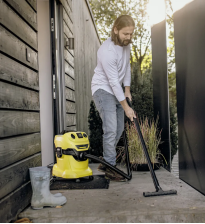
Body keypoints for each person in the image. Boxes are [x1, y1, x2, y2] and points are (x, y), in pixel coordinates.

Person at [91, 15, 136, 181]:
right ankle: (110, 168)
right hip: (103, 89)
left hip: (116, 90)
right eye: (125, 34)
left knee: (119, 129)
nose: (129, 37)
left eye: (131, 34)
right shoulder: (107, 52)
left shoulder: (126, 45)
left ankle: (105, 161)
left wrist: (128, 90)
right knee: (110, 128)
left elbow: (126, 68)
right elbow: (112, 82)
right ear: (115, 30)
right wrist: (127, 108)